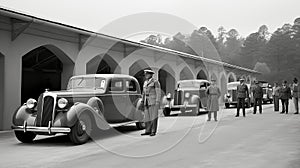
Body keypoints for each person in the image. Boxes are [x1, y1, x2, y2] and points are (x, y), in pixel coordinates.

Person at [141, 69, 161, 136]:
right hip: (146, 101)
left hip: (153, 101)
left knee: (153, 117)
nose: (146, 75)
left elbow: (158, 92)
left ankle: (153, 131)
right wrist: (142, 100)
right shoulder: (145, 82)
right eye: (145, 74)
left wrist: (157, 101)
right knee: (147, 117)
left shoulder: (155, 82)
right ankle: (147, 130)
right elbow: (143, 93)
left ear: (150, 74)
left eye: (147, 74)